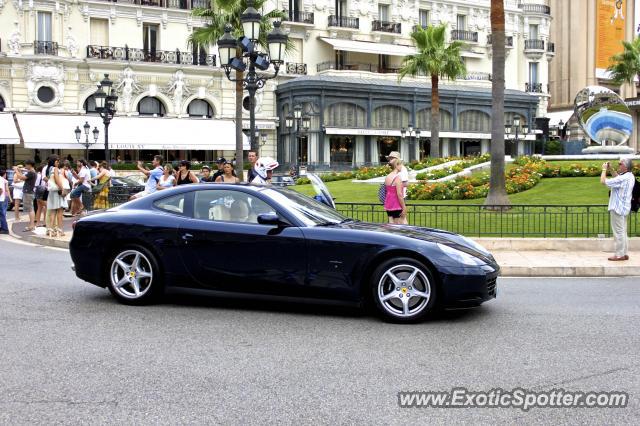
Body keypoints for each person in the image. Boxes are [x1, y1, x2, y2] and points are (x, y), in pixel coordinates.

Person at [601, 158, 636, 261]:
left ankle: (619, 255)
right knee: (623, 232)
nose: (618, 165)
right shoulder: (630, 176)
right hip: (624, 208)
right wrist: (611, 169)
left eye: (620, 164)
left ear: (625, 166)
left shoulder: (623, 178)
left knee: (618, 233)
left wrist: (604, 170)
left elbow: (603, 181)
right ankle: (624, 253)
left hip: (617, 208)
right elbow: (617, 177)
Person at [13, 160, 37, 231]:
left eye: (26, 165)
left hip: (28, 192)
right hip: (30, 192)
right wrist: (19, 169)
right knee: (31, 209)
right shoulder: (32, 171)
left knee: (30, 209)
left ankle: (31, 226)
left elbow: (21, 177)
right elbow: (24, 171)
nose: (25, 166)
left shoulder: (31, 172)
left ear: (30, 165)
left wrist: (16, 170)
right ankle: (31, 225)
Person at [387, 151, 409, 224]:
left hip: (390, 200)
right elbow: (399, 192)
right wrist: (404, 207)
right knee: (401, 221)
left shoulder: (391, 174)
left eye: (392, 158)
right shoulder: (397, 176)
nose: (390, 159)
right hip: (397, 200)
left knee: (392, 220)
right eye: (390, 158)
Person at [45, 156, 66, 237]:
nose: (58, 163)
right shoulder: (55, 169)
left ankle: (51, 230)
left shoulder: (49, 169)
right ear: (54, 162)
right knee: (60, 211)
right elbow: (57, 180)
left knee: (53, 211)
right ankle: (60, 230)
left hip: (52, 192)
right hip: (57, 191)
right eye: (57, 161)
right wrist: (62, 189)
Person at [34, 162, 48, 228]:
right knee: (47, 206)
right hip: (43, 191)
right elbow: (45, 184)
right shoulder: (43, 176)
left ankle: (37, 222)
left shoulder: (37, 175)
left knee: (39, 207)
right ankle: (45, 221)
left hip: (37, 191)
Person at [0, 168, 10, 234]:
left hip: (1, 199)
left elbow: (0, 190)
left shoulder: (1, 179)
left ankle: (4, 229)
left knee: (2, 214)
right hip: (2, 198)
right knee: (2, 214)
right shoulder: (2, 179)